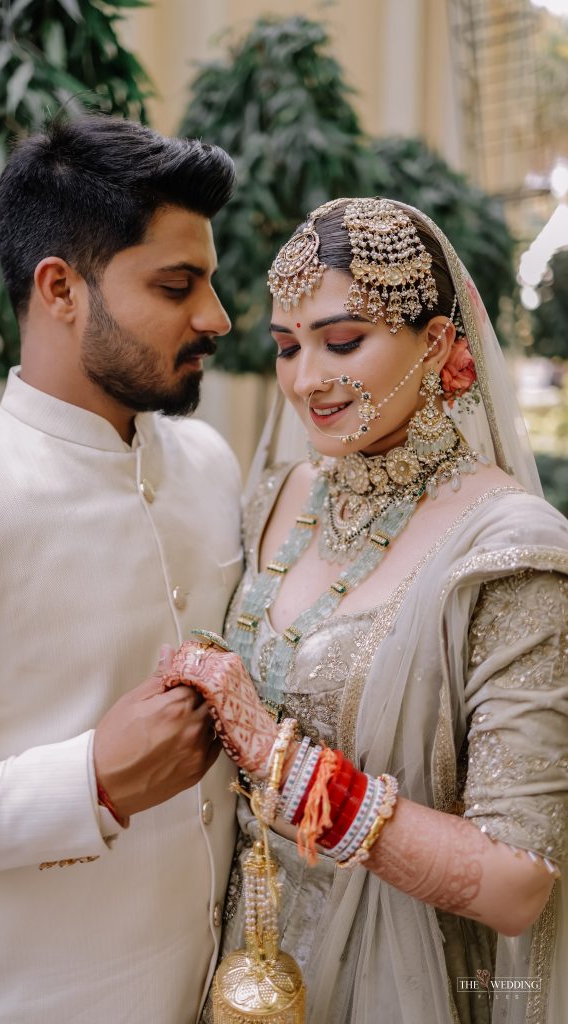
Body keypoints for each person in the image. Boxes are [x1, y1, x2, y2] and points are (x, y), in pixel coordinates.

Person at [163, 197, 568, 1024]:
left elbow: (515, 879)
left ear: (440, 343)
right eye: (287, 346)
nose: (307, 379)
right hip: (232, 957)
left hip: (395, 972)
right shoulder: (278, 494)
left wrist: (277, 759)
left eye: (342, 342)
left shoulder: (510, 550)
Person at [0, 115, 245, 1024]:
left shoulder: (208, 463)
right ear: (59, 289)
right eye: (177, 285)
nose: (216, 317)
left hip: (229, 986)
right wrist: (90, 782)